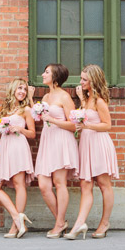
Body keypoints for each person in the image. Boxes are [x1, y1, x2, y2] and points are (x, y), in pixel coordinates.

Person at [64, 64, 119, 240]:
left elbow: (107, 125)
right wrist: (81, 100)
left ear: (93, 81)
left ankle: (105, 223)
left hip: (99, 145)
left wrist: (87, 125)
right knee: (85, 185)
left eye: (84, 79)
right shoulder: (87, 100)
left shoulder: (100, 101)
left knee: (104, 185)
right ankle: (79, 225)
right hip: (86, 145)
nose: (80, 82)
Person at [34, 63, 79, 239]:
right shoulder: (45, 97)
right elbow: (41, 118)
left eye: (46, 72)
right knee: (44, 185)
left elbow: (74, 125)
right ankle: (60, 221)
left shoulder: (64, 97)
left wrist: (52, 119)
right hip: (47, 140)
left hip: (61, 140)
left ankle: (59, 224)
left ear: (55, 76)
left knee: (59, 183)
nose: (43, 74)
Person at [0, 79, 36, 239]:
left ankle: (15, 227)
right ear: (13, 90)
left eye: (24, 89)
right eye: (19, 88)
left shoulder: (26, 110)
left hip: (18, 146)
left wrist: (20, 129)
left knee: (18, 184)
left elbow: (32, 134)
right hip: (6, 147)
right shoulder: (7, 108)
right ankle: (18, 217)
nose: (22, 91)